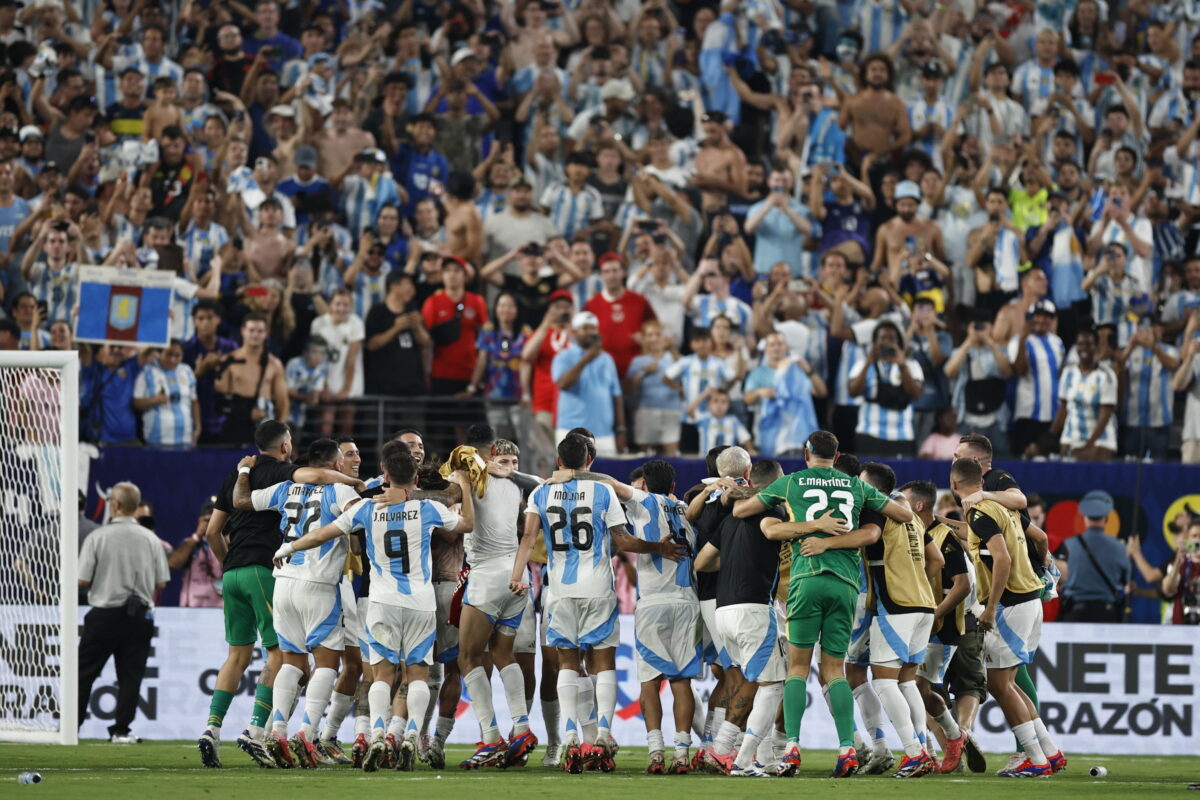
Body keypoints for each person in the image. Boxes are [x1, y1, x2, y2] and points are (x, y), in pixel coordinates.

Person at [274, 445, 474, 772]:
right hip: (419, 604)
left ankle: (378, 733)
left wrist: (290, 545)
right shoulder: (426, 509)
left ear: (385, 473)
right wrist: (463, 485)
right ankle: (410, 735)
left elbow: (325, 531)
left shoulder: (366, 508)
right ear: (414, 477)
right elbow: (466, 524)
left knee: (381, 674)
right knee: (418, 674)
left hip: (381, 603)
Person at [735, 430, 914, 777]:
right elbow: (903, 515)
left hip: (806, 579)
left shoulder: (791, 483)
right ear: (837, 455)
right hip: (846, 585)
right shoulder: (857, 486)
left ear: (806, 453)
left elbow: (745, 510)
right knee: (835, 670)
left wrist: (797, 522)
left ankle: (791, 748)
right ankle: (847, 747)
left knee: (798, 669)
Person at [511, 434, 683, 773]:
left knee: (567, 663)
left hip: (558, 590)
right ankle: (603, 733)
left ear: (559, 461)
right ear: (590, 460)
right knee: (603, 661)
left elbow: (528, 537)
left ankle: (571, 735)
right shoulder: (603, 491)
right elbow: (624, 540)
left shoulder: (540, 492)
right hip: (598, 588)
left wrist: (517, 576)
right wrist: (657, 548)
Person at [197, 420, 360, 769]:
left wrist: (243, 470)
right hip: (296, 576)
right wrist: (358, 485)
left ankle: (255, 730)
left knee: (274, 658)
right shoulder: (304, 477)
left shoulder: (279, 486)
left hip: (270, 576)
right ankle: (287, 732)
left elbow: (229, 514)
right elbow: (347, 515)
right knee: (321, 662)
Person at [949, 457, 1065, 778]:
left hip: (1010, 605)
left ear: (955, 484)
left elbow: (1001, 559)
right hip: (1030, 600)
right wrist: (941, 523)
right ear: (981, 483)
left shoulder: (979, 513)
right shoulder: (1000, 509)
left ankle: (1035, 759)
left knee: (1001, 686)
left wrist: (989, 608)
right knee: (1010, 684)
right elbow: (1036, 537)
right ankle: (1049, 753)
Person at [694, 458, 788, 777]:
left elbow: (702, 563)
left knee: (752, 681)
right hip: (754, 609)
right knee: (772, 685)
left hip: (723, 610)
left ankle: (763, 758)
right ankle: (738, 757)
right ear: (775, 484)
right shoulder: (773, 511)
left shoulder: (730, 520)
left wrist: (736, 561)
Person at [608, 460, 700, 775]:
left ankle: (656, 753)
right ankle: (682, 753)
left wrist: (574, 474)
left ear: (644, 484)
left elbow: (609, 482)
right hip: (688, 601)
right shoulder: (687, 509)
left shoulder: (643, 500)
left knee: (650, 681)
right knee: (681, 680)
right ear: (674, 486)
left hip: (653, 602)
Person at [455, 430, 539, 770]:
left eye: (512, 462)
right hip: (517, 577)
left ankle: (490, 738)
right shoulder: (523, 486)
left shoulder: (469, 480)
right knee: (503, 654)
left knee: (468, 657)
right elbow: (539, 482)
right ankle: (521, 727)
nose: (508, 466)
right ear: (490, 457)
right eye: (503, 460)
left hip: (487, 576)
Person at [77, 482, 170, 744]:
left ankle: (71, 727)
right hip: (138, 616)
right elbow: (161, 582)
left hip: (104, 614)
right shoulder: (151, 539)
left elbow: (82, 580)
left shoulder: (98, 537)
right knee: (131, 676)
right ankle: (121, 730)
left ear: (115, 505)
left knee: (84, 673)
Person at [900, 480, 971, 773]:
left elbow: (963, 584)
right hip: (917, 620)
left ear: (918, 505)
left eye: (904, 501)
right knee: (912, 687)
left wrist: (935, 614)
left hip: (943, 625)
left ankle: (941, 743)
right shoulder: (913, 533)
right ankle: (941, 742)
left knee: (915, 686)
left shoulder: (946, 537)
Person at [551, 311, 626, 455]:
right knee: (571, 476)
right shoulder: (563, 356)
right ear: (574, 332)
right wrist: (587, 358)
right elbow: (562, 384)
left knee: (606, 477)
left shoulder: (606, 359)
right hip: (571, 432)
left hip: (604, 433)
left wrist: (621, 429)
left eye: (593, 328)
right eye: (585, 328)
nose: (590, 332)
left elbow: (616, 395)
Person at [1054, 490, 1129, 623]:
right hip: (1108, 614)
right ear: (1106, 518)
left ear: (1084, 517)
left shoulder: (1068, 545)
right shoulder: (1120, 548)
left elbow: (1057, 577)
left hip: (1076, 613)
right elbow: (1125, 581)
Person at [1051, 329, 1118, 460]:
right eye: (1080, 344)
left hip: (1100, 440)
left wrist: (1088, 446)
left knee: (1084, 457)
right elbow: (1063, 409)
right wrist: (1049, 437)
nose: (1084, 348)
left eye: (1088, 344)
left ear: (1097, 346)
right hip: (1071, 437)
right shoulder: (1068, 373)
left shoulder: (1106, 375)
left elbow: (1105, 416)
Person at [133, 340, 200, 447]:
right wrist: (155, 400)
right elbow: (136, 403)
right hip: (156, 439)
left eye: (177, 355)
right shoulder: (148, 371)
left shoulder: (186, 371)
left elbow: (194, 402)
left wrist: (197, 429)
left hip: (185, 438)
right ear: (160, 353)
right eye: (169, 354)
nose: (172, 359)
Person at [168, 502, 225, 608]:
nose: (211, 524)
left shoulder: (227, 543)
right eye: (207, 520)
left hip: (221, 608)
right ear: (199, 521)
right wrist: (197, 536)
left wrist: (222, 536)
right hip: (192, 609)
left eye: (215, 521)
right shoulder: (190, 544)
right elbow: (173, 563)